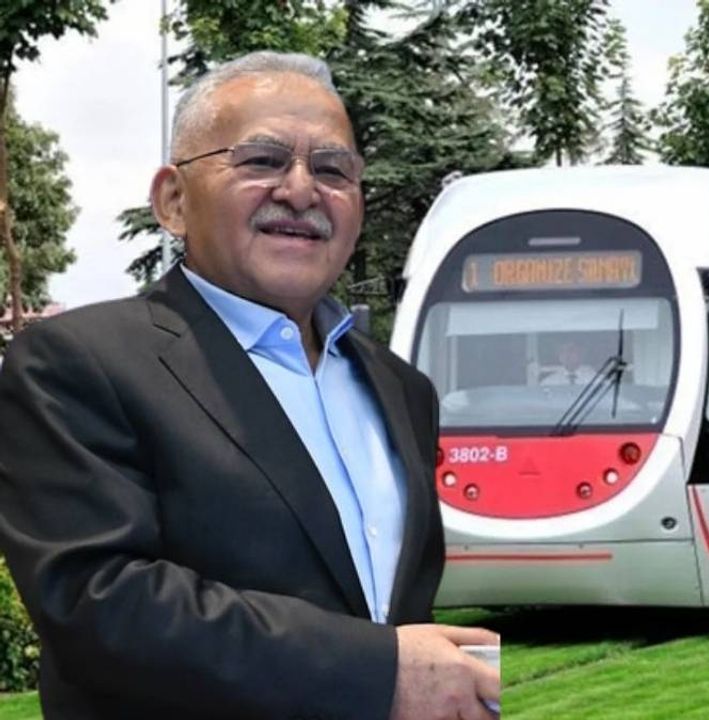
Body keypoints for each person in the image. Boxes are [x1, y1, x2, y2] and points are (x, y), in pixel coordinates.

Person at [0, 51, 499, 720]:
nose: (301, 190)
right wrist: (376, 672)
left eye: (333, 170)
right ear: (173, 200)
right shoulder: (77, 363)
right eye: (263, 161)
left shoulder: (401, 389)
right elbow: (98, 603)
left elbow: (395, 611)